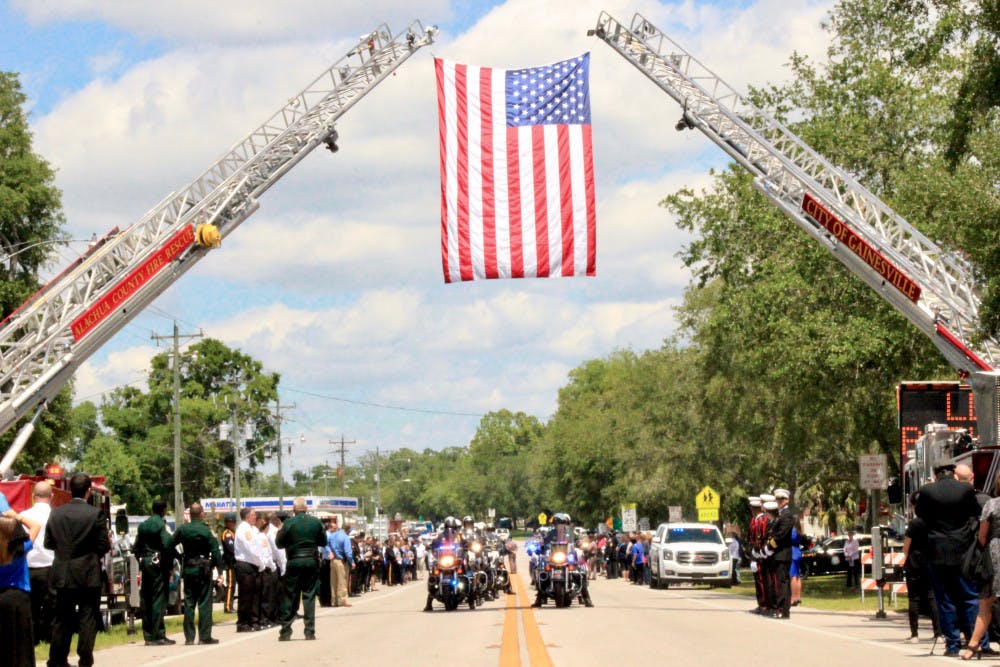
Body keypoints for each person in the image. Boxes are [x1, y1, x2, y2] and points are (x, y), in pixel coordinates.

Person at [45, 472, 112, 667]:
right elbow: (104, 545)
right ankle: (84, 656)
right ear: (88, 491)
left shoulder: (56, 513)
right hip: (88, 574)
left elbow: (49, 542)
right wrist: (89, 555)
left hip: (62, 572)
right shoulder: (95, 514)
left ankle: (57, 658)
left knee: (61, 618)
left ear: (69, 490)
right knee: (88, 616)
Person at [916, 463, 983, 657]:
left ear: (936, 475)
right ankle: (973, 640)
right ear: (953, 473)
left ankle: (952, 644)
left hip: (936, 550)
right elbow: (974, 513)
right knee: (969, 596)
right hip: (962, 550)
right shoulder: (966, 489)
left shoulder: (927, 491)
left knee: (944, 598)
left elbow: (921, 515)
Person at [169, 502, 223, 645]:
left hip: (188, 569)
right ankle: (205, 636)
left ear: (190, 515)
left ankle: (189, 638)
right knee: (204, 603)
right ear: (201, 514)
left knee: (189, 603)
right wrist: (221, 570)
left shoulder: (183, 530)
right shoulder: (206, 530)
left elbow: (169, 544)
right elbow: (216, 551)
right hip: (203, 570)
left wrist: (179, 556)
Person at [276, 497, 327, 641]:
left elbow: (279, 543)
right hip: (311, 560)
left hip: (294, 560)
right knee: (309, 595)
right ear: (306, 509)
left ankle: (286, 631)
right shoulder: (315, 522)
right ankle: (309, 631)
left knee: (290, 595)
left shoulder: (288, 523)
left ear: (294, 509)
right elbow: (323, 541)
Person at [961, 474, 1000, 659]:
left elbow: (982, 536)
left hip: (994, 555)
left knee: (985, 603)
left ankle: (973, 645)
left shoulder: (991, 505)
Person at [0, 508, 41, 666]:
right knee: (22, 642)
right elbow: (36, 526)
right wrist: (17, 517)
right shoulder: (20, 550)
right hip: (18, 597)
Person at [134, 498, 176, 646]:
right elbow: (167, 545)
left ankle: (148, 635)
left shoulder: (143, 525)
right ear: (163, 510)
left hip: (145, 563)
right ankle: (158, 635)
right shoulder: (161, 525)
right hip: (158, 564)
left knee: (147, 598)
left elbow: (136, 548)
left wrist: (142, 561)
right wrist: (170, 565)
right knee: (159, 599)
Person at [901, 492, 941, 643]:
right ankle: (938, 632)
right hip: (930, 562)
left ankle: (915, 634)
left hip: (914, 563)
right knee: (931, 597)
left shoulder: (914, 523)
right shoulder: (934, 522)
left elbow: (906, 547)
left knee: (914, 598)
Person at [21, 481, 55, 644]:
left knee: (32, 607)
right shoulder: (56, 516)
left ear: (33, 497)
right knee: (51, 607)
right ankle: (49, 637)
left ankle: (32, 639)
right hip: (50, 567)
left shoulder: (25, 515)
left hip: (29, 567)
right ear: (52, 496)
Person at [234, 507, 265, 632]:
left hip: (253, 564)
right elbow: (251, 548)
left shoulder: (252, 529)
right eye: (253, 515)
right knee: (246, 596)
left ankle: (252, 621)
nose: (255, 517)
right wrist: (261, 562)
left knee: (254, 595)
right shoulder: (244, 529)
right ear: (247, 517)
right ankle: (243, 623)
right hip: (246, 564)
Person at [327, 517, 354, 607]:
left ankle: (334, 601)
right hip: (341, 561)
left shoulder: (333, 535)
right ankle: (342, 600)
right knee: (342, 581)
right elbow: (348, 552)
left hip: (333, 560)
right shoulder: (345, 537)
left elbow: (326, 544)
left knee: (333, 581)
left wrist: (330, 552)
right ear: (348, 529)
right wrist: (352, 562)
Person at [220, 513, 237, 613]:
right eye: (232, 522)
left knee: (233, 585)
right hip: (230, 562)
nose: (233, 524)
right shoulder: (227, 533)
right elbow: (231, 548)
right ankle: (227, 607)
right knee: (230, 585)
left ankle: (230, 605)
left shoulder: (232, 532)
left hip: (234, 562)